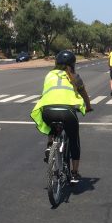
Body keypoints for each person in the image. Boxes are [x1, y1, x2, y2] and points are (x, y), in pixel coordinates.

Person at [30, 50, 93, 183]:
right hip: (67, 112)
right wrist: (88, 107)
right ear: (73, 64)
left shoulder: (49, 75)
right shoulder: (75, 77)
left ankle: (49, 145)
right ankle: (75, 173)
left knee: (51, 126)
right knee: (74, 140)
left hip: (48, 110)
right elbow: (84, 94)